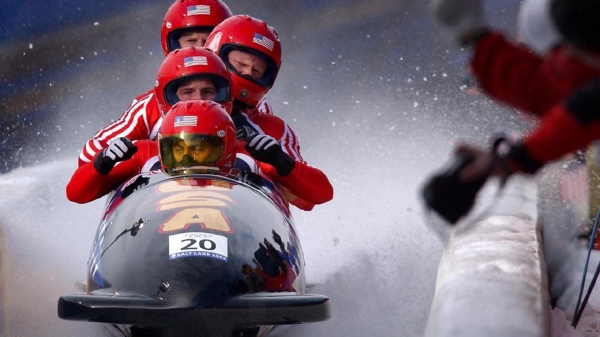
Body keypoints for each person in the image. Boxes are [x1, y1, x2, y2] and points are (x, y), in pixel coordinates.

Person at [77, 0, 273, 167]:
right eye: (191, 41)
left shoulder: (257, 108)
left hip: (230, 197)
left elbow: (284, 171)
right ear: (172, 45)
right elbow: (89, 156)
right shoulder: (150, 106)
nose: (201, 48)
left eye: (209, 40)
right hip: (163, 200)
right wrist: (118, 155)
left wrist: (253, 144)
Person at [205, 15, 334, 211]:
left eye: (256, 69)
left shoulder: (270, 125)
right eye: (240, 63)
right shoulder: (155, 105)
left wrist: (279, 162)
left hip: (243, 221)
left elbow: (314, 196)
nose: (248, 73)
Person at [67, 100, 237, 204]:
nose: (186, 158)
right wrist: (101, 163)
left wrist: (265, 158)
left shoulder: (246, 155)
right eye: (177, 148)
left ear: (225, 147)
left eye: (198, 148)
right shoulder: (143, 154)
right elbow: (76, 193)